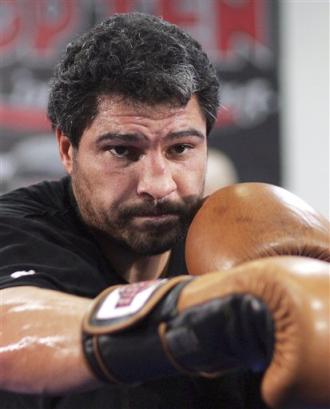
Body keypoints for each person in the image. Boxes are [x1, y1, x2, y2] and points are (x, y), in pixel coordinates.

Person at [0, 12, 329, 409]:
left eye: (180, 149)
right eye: (123, 150)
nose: (158, 184)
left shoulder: (242, 243)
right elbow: (10, 325)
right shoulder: (17, 229)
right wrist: (193, 317)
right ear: (68, 151)